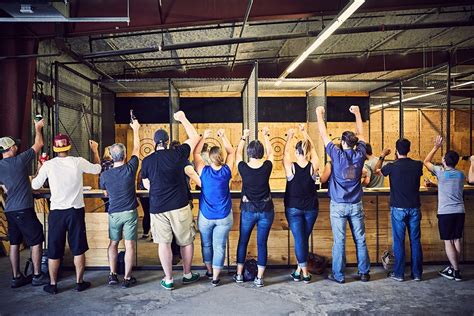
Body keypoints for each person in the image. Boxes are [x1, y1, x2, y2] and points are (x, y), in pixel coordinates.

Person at [32, 134, 101, 294]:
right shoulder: (78, 162)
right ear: (69, 146)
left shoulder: (48, 165)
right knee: (78, 249)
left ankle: (53, 284)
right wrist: (95, 151)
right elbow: (97, 169)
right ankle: (79, 282)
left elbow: (35, 184)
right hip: (75, 212)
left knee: (54, 250)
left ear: (55, 148)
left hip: (56, 213)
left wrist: (39, 168)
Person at [141, 111, 200, 291]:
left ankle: (168, 279)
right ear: (167, 142)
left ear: (153, 143)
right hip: (180, 205)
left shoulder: (147, 161)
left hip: (158, 207)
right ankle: (187, 275)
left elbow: (146, 185)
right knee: (186, 241)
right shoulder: (178, 154)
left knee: (164, 243)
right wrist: (182, 119)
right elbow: (194, 137)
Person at [315, 105, 370, 283]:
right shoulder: (361, 154)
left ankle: (339, 275)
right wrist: (358, 113)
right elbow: (361, 135)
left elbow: (324, 135)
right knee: (360, 239)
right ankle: (364, 273)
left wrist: (318, 114)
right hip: (356, 204)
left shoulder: (336, 155)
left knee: (339, 241)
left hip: (338, 205)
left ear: (344, 143)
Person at [0, 118, 49, 288]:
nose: (17, 147)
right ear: (11, 148)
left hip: (10, 211)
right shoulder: (20, 160)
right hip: (23, 209)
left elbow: (5, 188)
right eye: (15, 146)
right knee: (36, 240)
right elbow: (39, 143)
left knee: (14, 243)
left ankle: (16, 277)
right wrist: (38, 128)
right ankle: (37, 275)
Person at [375, 138, 423, 282]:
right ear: (409, 149)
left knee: (399, 241)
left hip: (398, 209)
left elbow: (376, 171)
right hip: (414, 207)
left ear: (396, 151)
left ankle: (399, 274)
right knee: (415, 241)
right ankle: (417, 274)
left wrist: (382, 155)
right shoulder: (417, 165)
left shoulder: (392, 166)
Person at [100, 119, 141, 288]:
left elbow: (105, 193)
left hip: (114, 213)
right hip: (130, 212)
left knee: (113, 243)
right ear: (125, 156)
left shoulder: (105, 175)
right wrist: (136, 130)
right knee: (130, 245)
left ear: (111, 156)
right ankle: (127, 278)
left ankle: (112, 274)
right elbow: (137, 149)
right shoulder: (130, 168)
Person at [233, 127, 274, 288]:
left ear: (249, 153)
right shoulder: (267, 167)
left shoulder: (243, 168)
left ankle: (238, 275)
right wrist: (265, 136)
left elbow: (237, 154)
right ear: (261, 153)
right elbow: (271, 154)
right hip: (266, 210)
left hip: (248, 211)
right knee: (261, 243)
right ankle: (259, 278)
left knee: (243, 242)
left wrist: (243, 137)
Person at [193, 128, 234, 287]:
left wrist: (204, 137)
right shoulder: (226, 171)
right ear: (221, 158)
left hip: (206, 216)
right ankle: (216, 278)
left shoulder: (203, 171)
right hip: (224, 216)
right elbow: (231, 152)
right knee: (219, 246)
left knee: (207, 244)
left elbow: (196, 154)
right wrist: (223, 136)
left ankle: (209, 271)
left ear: (209, 158)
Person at [423, 135, 465, 281]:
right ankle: (453, 268)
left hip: (446, 212)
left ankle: (456, 271)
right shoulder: (461, 175)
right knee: (457, 240)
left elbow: (426, 161)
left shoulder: (441, 172)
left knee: (448, 241)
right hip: (460, 212)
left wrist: (436, 147)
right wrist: (434, 185)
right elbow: (449, 186)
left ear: (444, 161)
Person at [283, 124, 320, 284]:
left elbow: (284, 154)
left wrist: (290, 137)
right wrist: (306, 134)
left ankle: (304, 274)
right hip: (311, 209)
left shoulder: (290, 167)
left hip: (293, 209)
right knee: (303, 239)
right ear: (308, 152)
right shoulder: (313, 166)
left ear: (297, 152)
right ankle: (298, 271)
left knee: (300, 240)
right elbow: (315, 152)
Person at [99, 146, 114, 212]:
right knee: (110, 208)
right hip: (110, 189)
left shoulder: (103, 162)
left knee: (107, 206)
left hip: (103, 188)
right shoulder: (109, 163)